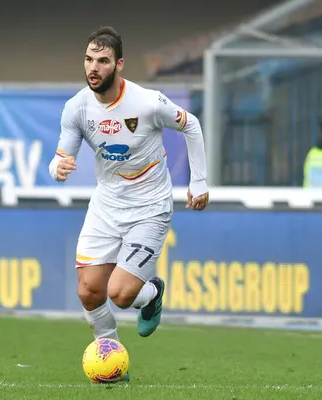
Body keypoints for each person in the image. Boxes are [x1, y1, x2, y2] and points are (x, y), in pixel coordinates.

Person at [48, 26, 209, 381]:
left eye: (103, 61)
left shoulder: (147, 102)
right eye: (89, 60)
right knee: (89, 290)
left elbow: (192, 125)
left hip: (149, 207)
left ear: (119, 64)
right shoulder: (76, 108)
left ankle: (150, 293)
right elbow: (60, 156)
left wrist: (198, 182)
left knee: (120, 295)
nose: (93, 67)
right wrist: (58, 168)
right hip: (106, 206)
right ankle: (112, 364)